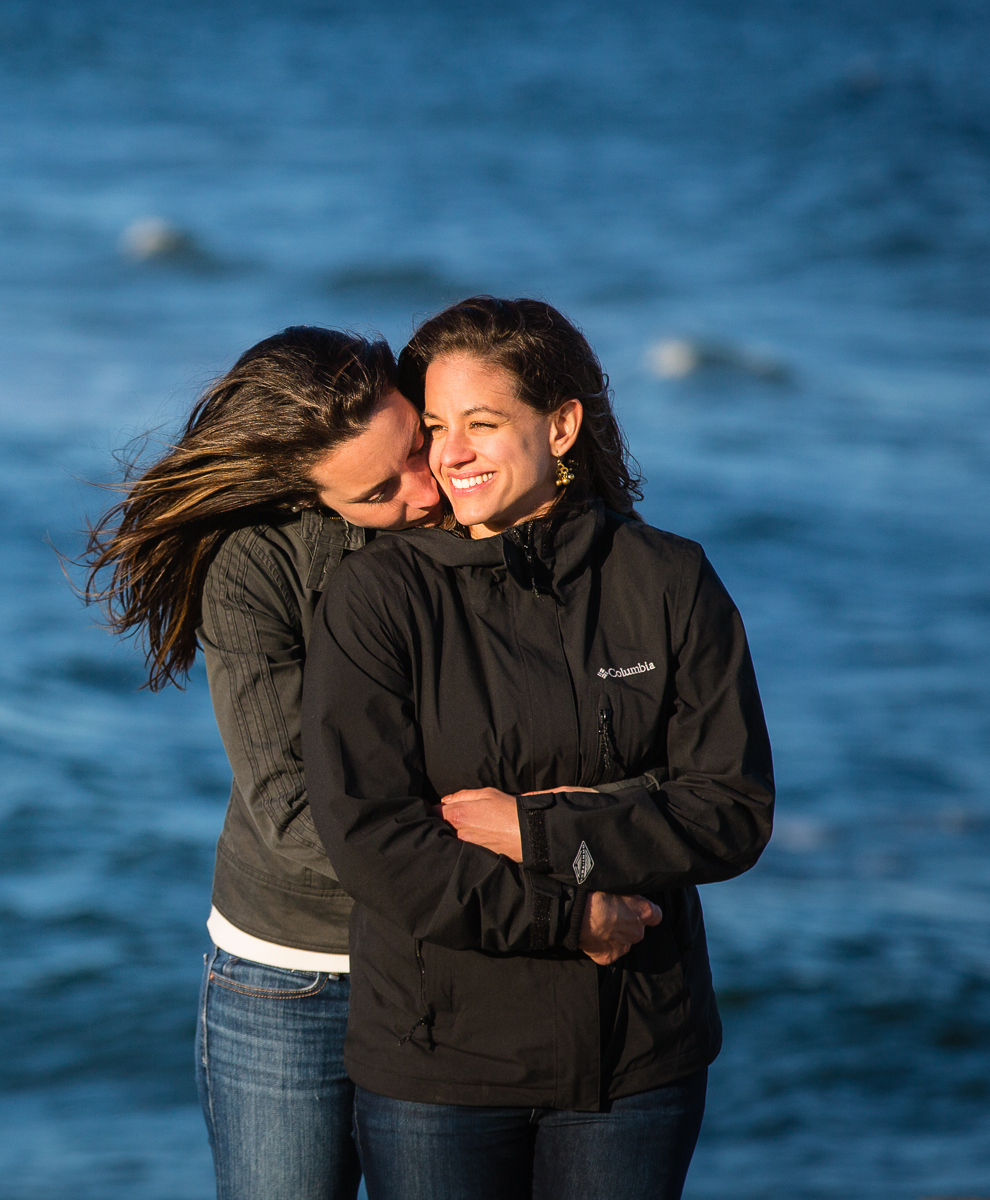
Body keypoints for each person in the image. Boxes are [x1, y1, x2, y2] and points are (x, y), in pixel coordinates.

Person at [302, 296, 775, 1200]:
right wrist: (574, 917)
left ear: (560, 426)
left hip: (634, 1060)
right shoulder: (375, 599)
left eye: (482, 423)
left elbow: (731, 812)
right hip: (436, 1067)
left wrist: (537, 829)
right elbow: (373, 840)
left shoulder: (667, 579)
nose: (452, 454)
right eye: (437, 427)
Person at [81, 326, 440, 1200]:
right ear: (307, 496)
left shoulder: (479, 511)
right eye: (378, 492)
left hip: (443, 964)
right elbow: (288, 809)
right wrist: (500, 872)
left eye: (420, 449)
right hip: (288, 975)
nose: (424, 492)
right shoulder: (254, 565)